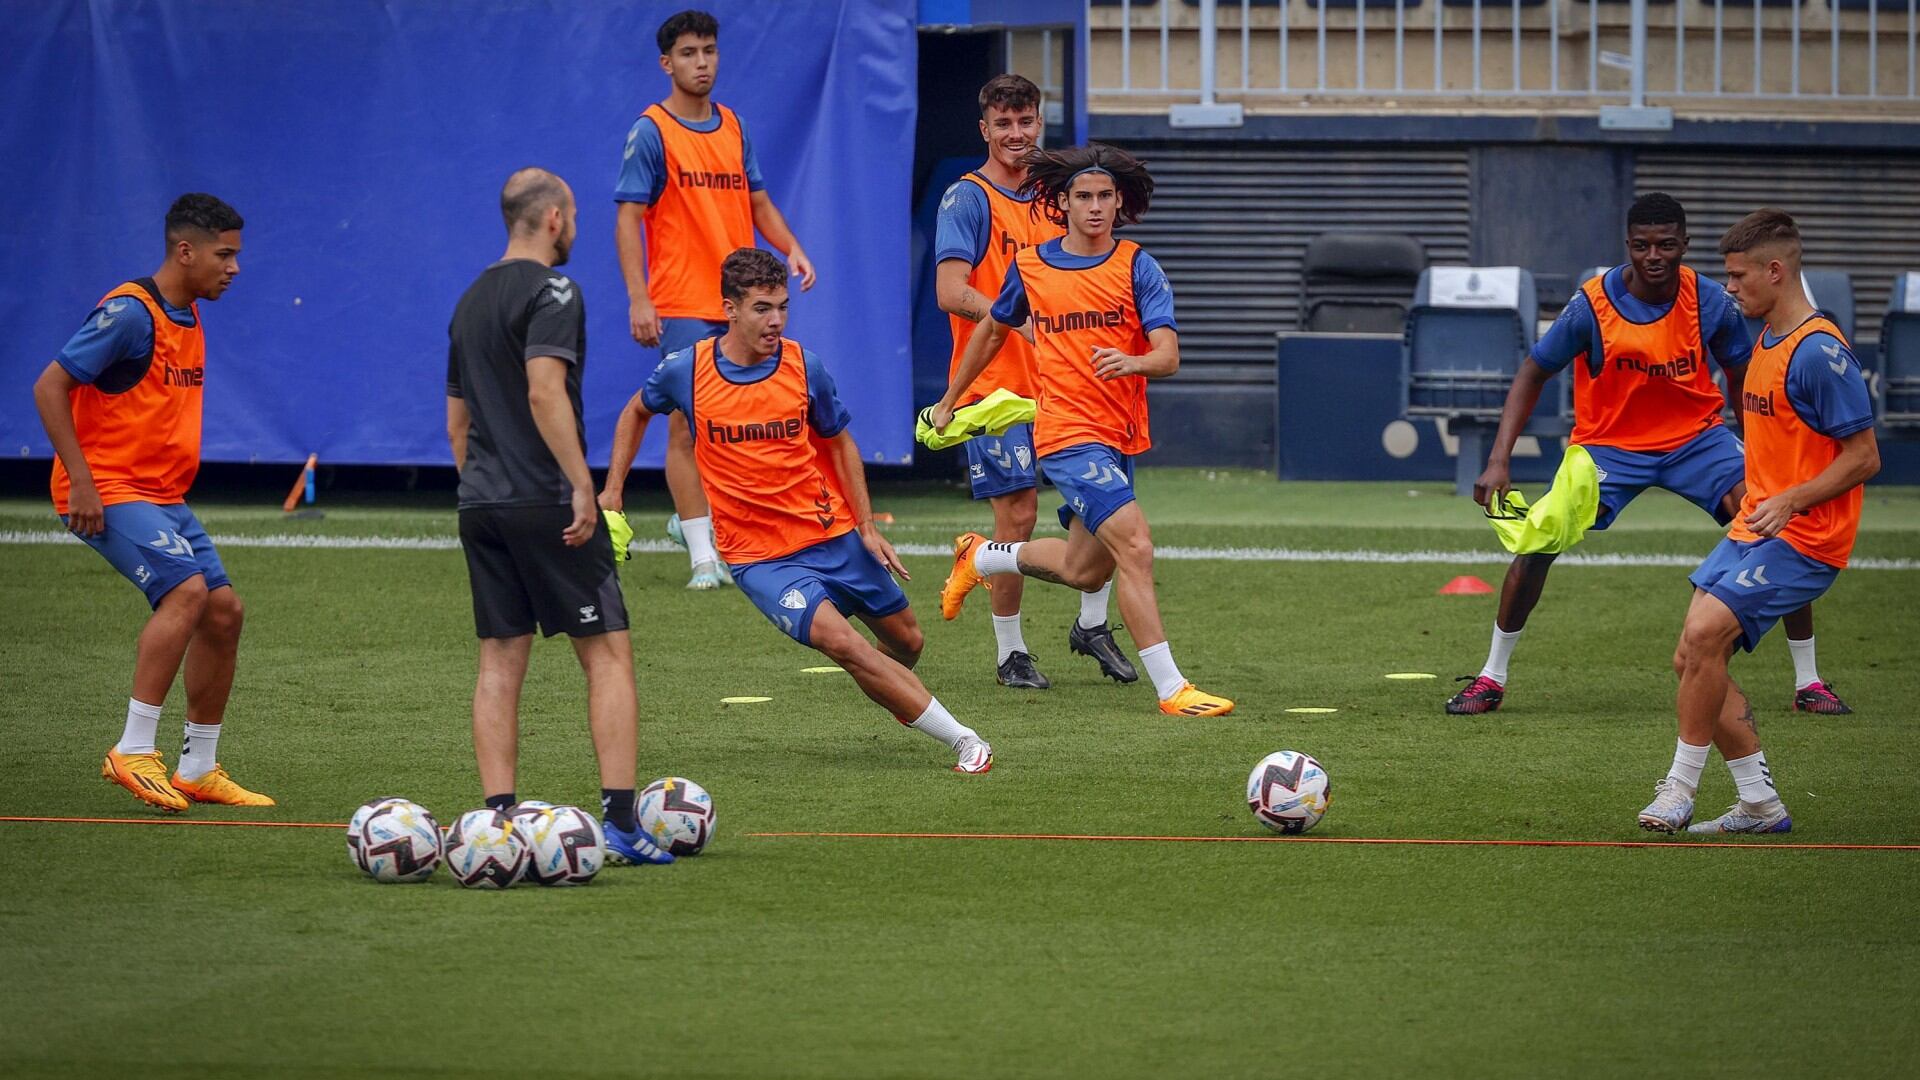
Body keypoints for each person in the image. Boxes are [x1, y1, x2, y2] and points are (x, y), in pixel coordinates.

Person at [1453, 192, 1849, 717]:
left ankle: (1809, 681)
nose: (1654, 256)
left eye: (1666, 244)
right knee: (1541, 538)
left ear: (1684, 245)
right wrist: (1499, 458)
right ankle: (1491, 677)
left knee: (1773, 523)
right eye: (1642, 246)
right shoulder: (1591, 305)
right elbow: (1533, 372)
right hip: (1608, 447)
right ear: (1628, 247)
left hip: (1698, 440)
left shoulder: (1710, 301)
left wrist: (1761, 446)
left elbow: (1741, 375)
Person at [601, 248, 992, 774]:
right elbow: (635, 411)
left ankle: (894, 690)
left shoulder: (804, 366)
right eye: (763, 308)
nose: (776, 320)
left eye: (782, 306)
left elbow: (838, 442)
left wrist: (868, 526)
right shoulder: (686, 370)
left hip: (831, 532)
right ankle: (965, 740)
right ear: (729, 309)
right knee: (845, 644)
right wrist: (612, 493)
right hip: (759, 558)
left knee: (907, 641)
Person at [929, 143, 1233, 718]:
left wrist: (1135, 362)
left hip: (1118, 433)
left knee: (1084, 568)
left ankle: (984, 557)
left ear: (1119, 202)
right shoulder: (1032, 266)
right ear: (1062, 203)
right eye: (1082, 197)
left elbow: (1168, 355)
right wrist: (949, 401)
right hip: (1067, 432)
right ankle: (1173, 689)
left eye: (1103, 197)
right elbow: (991, 332)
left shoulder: (1138, 265)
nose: (1094, 207)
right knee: (1137, 546)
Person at [446, 168, 672, 865]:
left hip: (482, 501)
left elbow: (458, 420)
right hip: (548, 499)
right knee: (606, 654)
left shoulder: (471, 298)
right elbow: (545, 391)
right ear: (552, 218)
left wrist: (485, 485)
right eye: (572, 215)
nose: (575, 228)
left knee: (498, 662)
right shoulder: (556, 290)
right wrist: (584, 486)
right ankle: (622, 824)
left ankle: (499, 825)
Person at [1637, 208, 1878, 834]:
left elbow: (1864, 457)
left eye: (1739, 276)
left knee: (1709, 635)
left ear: (1776, 271)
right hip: (1756, 527)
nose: (1730, 287)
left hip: (1806, 537)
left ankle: (1679, 788)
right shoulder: (1763, 339)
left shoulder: (1820, 353)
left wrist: (1793, 499)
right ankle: (1760, 803)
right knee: (1689, 656)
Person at [32, 194, 271, 813]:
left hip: (161, 494)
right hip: (107, 487)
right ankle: (133, 750)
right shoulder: (131, 313)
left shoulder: (188, 315)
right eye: (225, 254)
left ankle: (198, 765)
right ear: (185, 251)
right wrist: (81, 480)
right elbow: (50, 385)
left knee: (223, 613)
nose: (235, 267)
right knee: (186, 592)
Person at [932, 73, 1132, 691]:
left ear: (1039, 122)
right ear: (984, 129)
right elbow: (950, 291)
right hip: (994, 387)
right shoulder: (967, 198)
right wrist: (1016, 323)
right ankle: (1010, 652)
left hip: (1068, 382)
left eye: (1026, 122)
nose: (1016, 134)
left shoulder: (1058, 193)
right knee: (1016, 517)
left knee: (1097, 508)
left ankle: (1092, 623)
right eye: (1004, 124)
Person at [615, 8, 816, 590]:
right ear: (666, 63)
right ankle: (704, 556)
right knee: (683, 424)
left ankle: (700, 522)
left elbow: (757, 201)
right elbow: (628, 219)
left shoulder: (733, 125)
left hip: (741, 298)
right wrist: (639, 298)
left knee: (736, 421)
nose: (701, 63)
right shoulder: (651, 131)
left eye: (709, 51)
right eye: (688, 53)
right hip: (680, 298)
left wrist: (791, 247)